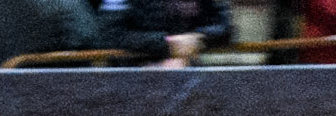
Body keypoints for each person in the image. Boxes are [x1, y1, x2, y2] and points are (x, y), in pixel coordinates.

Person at [93, 0, 233, 65]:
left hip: (187, 70)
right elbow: (110, 35)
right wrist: (167, 44)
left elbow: (225, 28)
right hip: (133, 73)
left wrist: (198, 38)